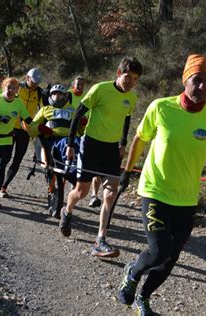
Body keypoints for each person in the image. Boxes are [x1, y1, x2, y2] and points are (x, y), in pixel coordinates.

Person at [117, 54, 206, 315]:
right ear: (184, 80)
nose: (201, 87)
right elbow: (140, 138)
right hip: (155, 190)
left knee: (172, 258)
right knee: (159, 251)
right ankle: (133, 271)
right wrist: (126, 170)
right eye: (196, 80)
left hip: (186, 198)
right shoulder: (161, 107)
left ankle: (143, 298)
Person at [59, 57, 143, 258]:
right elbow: (78, 114)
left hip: (111, 149)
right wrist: (70, 144)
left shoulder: (131, 97)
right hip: (90, 145)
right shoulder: (100, 89)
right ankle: (67, 210)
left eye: (135, 79)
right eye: (127, 76)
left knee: (110, 193)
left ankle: (101, 239)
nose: (130, 82)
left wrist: (122, 143)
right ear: (118, 73)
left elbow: (126, 120)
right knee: (81, 192)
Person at [0, 77, 48, 209]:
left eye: (14, 88)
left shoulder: (18, 104)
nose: (11, 90)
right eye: (8, 87)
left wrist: (41, 128)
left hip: (6, 140)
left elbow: (28, 119)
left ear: (17, 90)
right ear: (3, 88)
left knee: (1, 168)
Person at [0, 68, 44, 197]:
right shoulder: (18, 88)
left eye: (38, 82)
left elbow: (43, 110)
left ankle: (4, 187)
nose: (36, 84)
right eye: (34, 81)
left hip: (25, 130)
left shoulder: (40, 93)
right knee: (5, 157)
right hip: (10, 127)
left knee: (17, 160)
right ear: (28, 78)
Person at [69, 75, 103, 208]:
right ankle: (73, 191)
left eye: (82, 84)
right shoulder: (68, 95)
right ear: (73, 84)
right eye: (78, 84)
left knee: (97, 168)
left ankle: (94, 195)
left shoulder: (89, 96)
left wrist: (86, 121)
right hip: (72, 134)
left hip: (88, 135)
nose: (80, 86)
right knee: (72, 166)